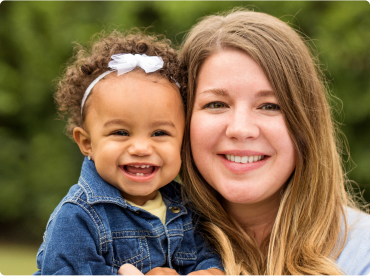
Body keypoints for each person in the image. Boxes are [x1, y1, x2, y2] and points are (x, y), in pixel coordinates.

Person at [176, 9, 370, 276]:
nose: (241, 129)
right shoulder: (128, 246)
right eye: (217, 104)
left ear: (306, 122)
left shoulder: (363, 254)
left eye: (269, 105)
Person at [33, 30, 224, 276]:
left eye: (159, 133)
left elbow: (205, 255)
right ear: (87, 142)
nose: (141, 148)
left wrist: (209, 271)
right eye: (121, 133)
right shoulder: (78, 217)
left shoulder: (187, 205)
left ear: (183, 139)